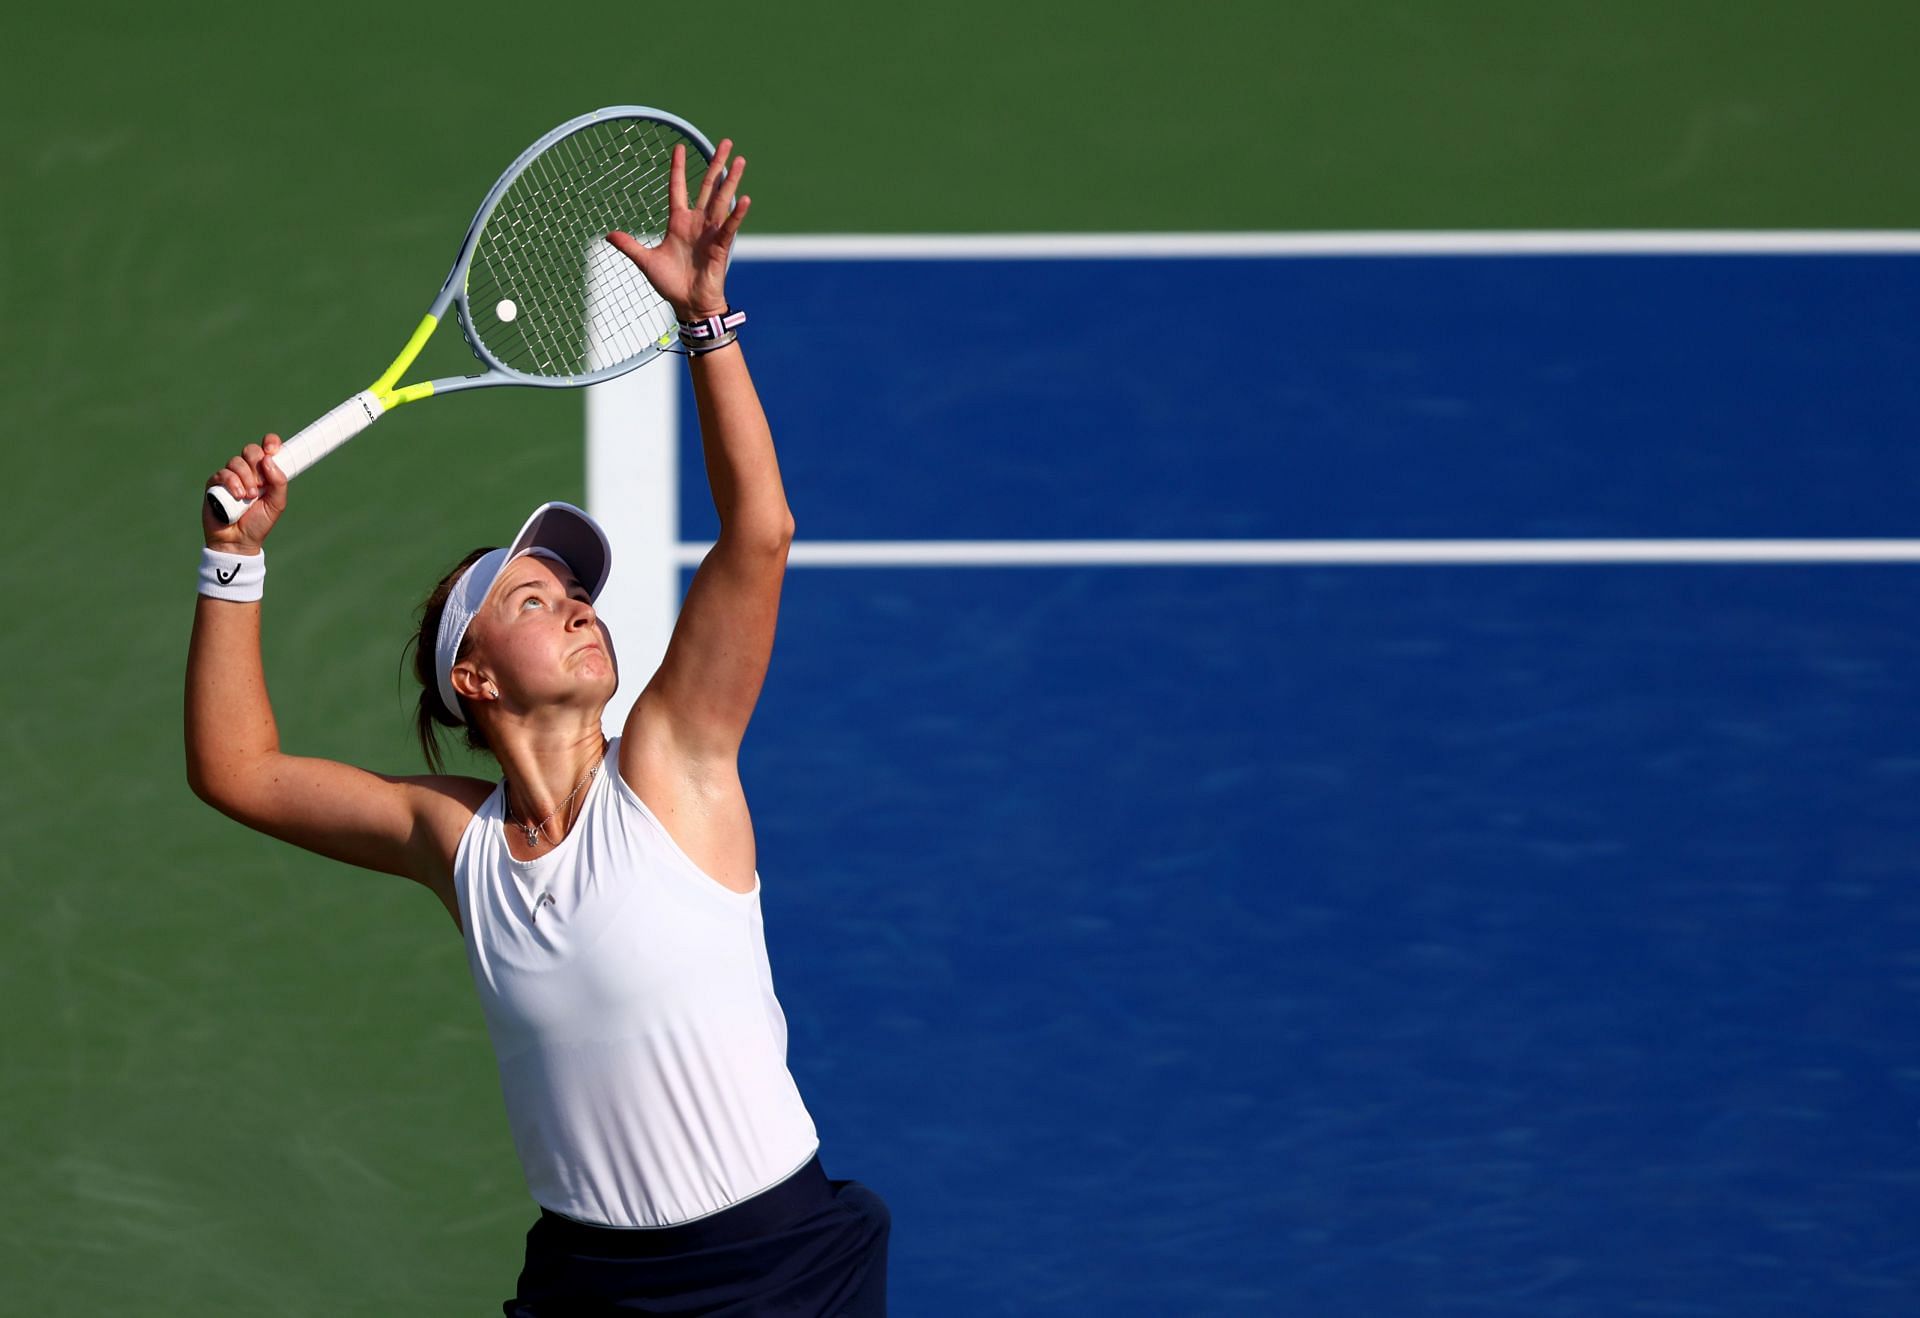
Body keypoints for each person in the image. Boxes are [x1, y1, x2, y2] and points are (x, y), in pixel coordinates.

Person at [185, 139, 890, 1316]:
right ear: (475, 678)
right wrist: (230, 561)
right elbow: (237, 768)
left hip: (777, 1272)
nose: (573, 608)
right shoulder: (451, 843)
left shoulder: (672, 763)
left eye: (575, 595)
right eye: (531, 598)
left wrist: (705, 324)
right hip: (588, 1286)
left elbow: (758, 532)